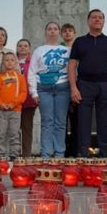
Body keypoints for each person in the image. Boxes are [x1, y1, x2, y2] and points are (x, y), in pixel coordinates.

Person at [68, 9, 107, 157]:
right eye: (94, 17)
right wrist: (73, 88)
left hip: (105, 86)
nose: (97, 20)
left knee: (104, 122)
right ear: (88, 21)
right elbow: (72, 66)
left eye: (100, 18)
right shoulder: (79, 42)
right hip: (84, 85)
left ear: (104, 21)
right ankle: (83, 155)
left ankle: (104, 155)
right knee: (83, 123)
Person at [29, 22, 71, 158]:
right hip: (44, 89)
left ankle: (59, 155)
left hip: (63, 89)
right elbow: (32, 72)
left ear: (59, 32)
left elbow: (73, 70)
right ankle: (46, 155)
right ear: (46, 32)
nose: (52, 31)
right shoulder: (39, 50)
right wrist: (33, 92)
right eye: (49, 29)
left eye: (55, 29)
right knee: (47, 122)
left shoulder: (67, 50)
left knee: (60, 122)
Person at [0, 52, 27, 159]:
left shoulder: (20, 77)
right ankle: (0, 154)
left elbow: (23, 93)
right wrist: (0, 104)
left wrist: (14, 103)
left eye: (12, 60)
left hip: (15, 110)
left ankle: (14, 154)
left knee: (14, 133)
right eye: (6, 60)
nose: (9, 62)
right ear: (3, 62)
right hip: (1, 110)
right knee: (0, 133)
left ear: (16, 62)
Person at [16, 38, 36, 156]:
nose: (23, 48)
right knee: (13, 130)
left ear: (29, 49)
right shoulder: (12, 61)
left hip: (29, 100)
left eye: (25, 46)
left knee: (27, 129)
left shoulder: (34, 62)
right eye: (20, 46)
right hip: (14, 101)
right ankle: (14, 154)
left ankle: (26, 155)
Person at [61, 23, 78, 157]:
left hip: (78, 87)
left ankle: (75, 151)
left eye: (70, 30)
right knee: (62, 122)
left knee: (77, 121)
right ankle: (63, 152)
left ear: (74, 33)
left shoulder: (80, 48)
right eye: (65, 31)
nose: (67, 33)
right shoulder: (58, 50)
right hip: (62, 86)